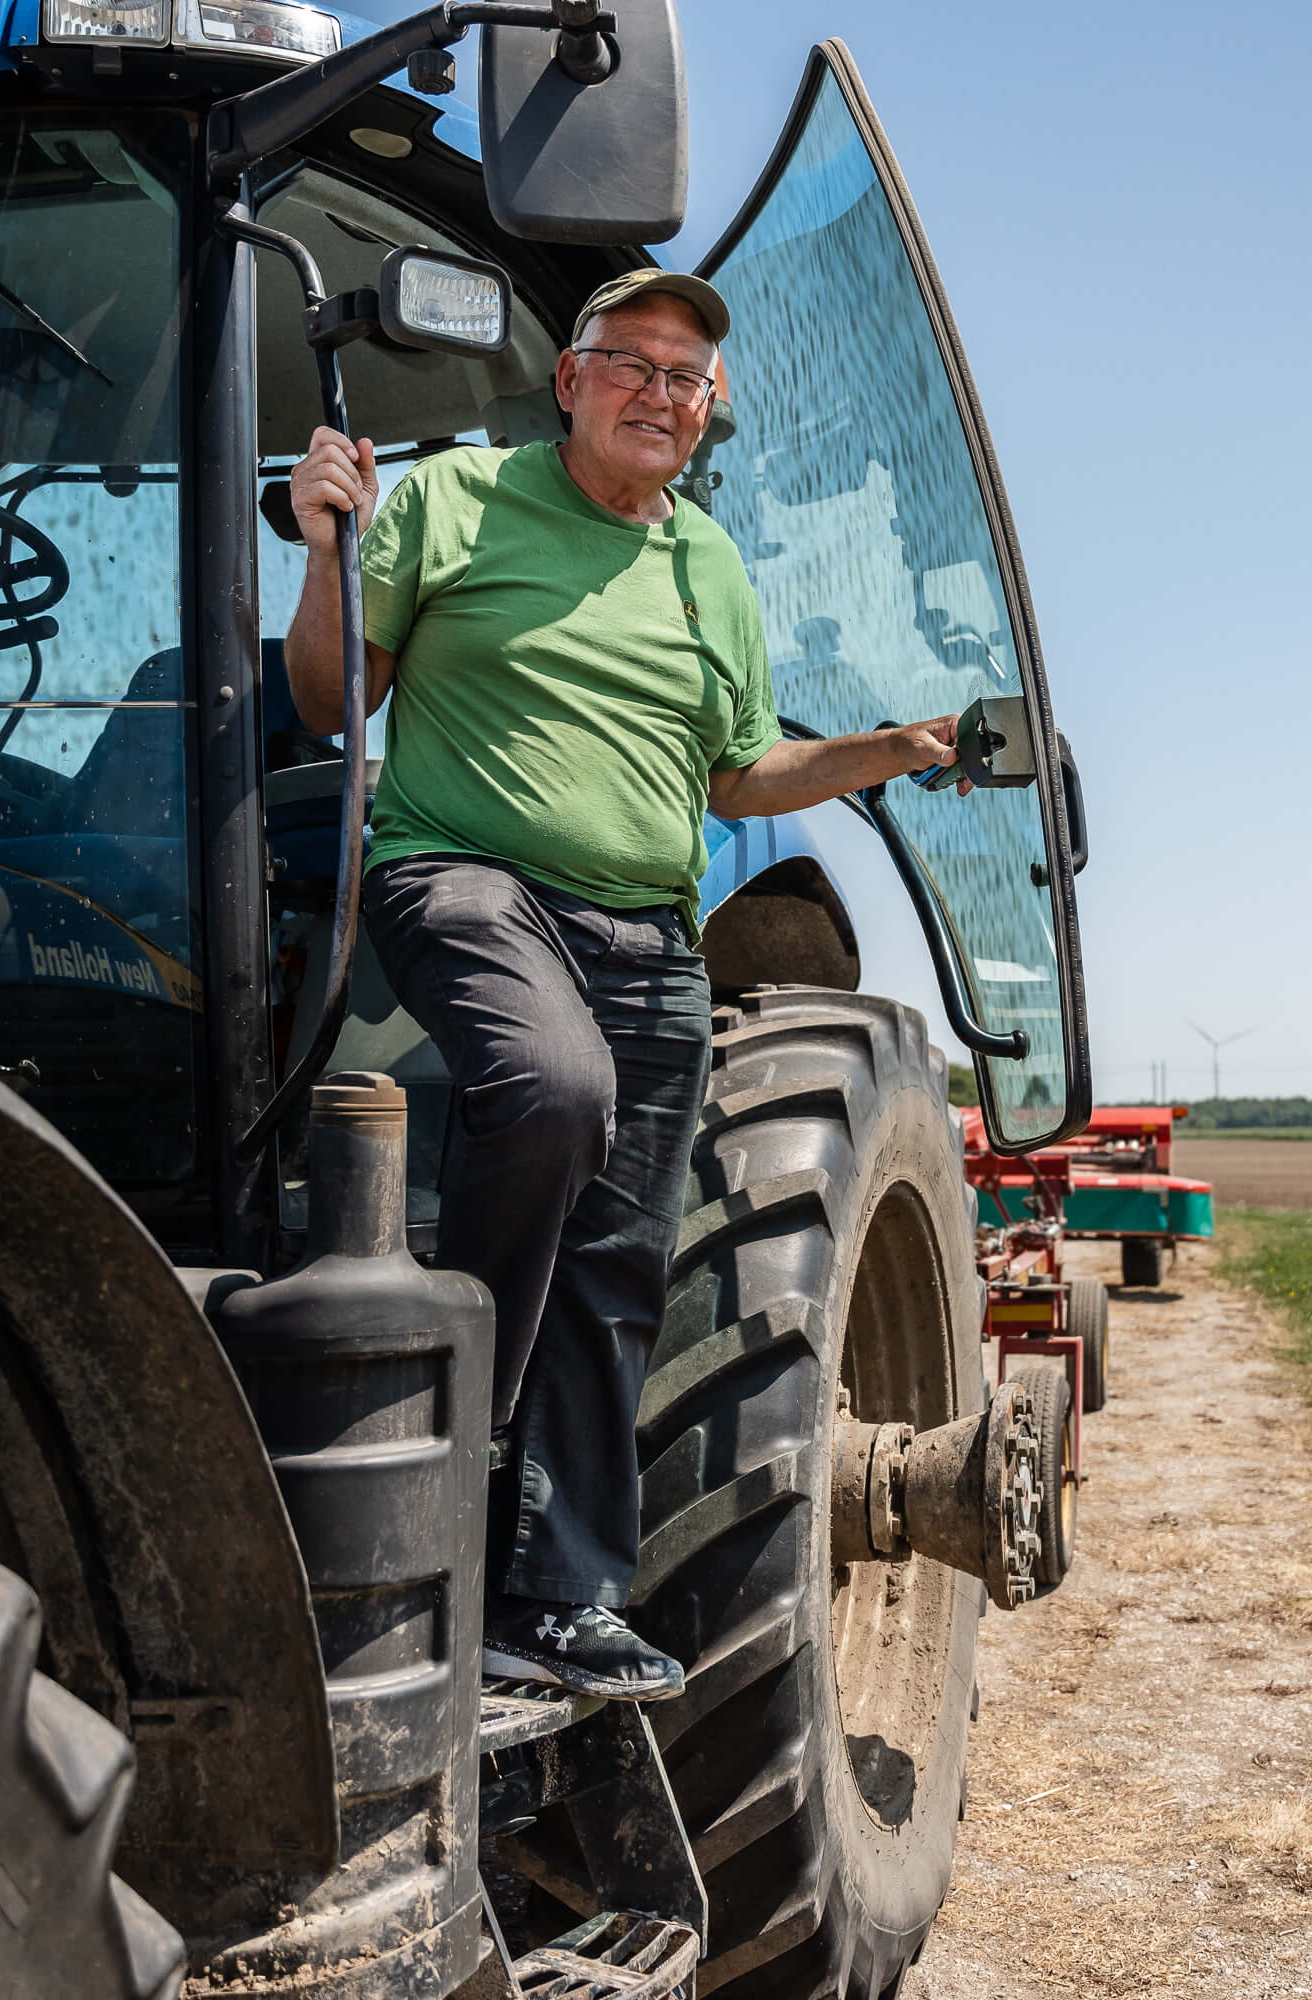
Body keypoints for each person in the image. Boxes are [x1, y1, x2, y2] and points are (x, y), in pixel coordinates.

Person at [282, 268, 965, 1699]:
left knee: (621, 1267)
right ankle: (456, 1422)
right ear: (570, 380)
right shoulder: (450, 504)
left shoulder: (710, 567)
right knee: (552, 1090)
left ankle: (560, 1595)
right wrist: (322, 548)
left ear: (708, 418)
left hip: (650, 931)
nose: (662, 392)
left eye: (689, 380)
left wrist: (884, 749)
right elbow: (332, 698)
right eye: (635, 364)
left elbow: (737, 774)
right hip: (465, 880)